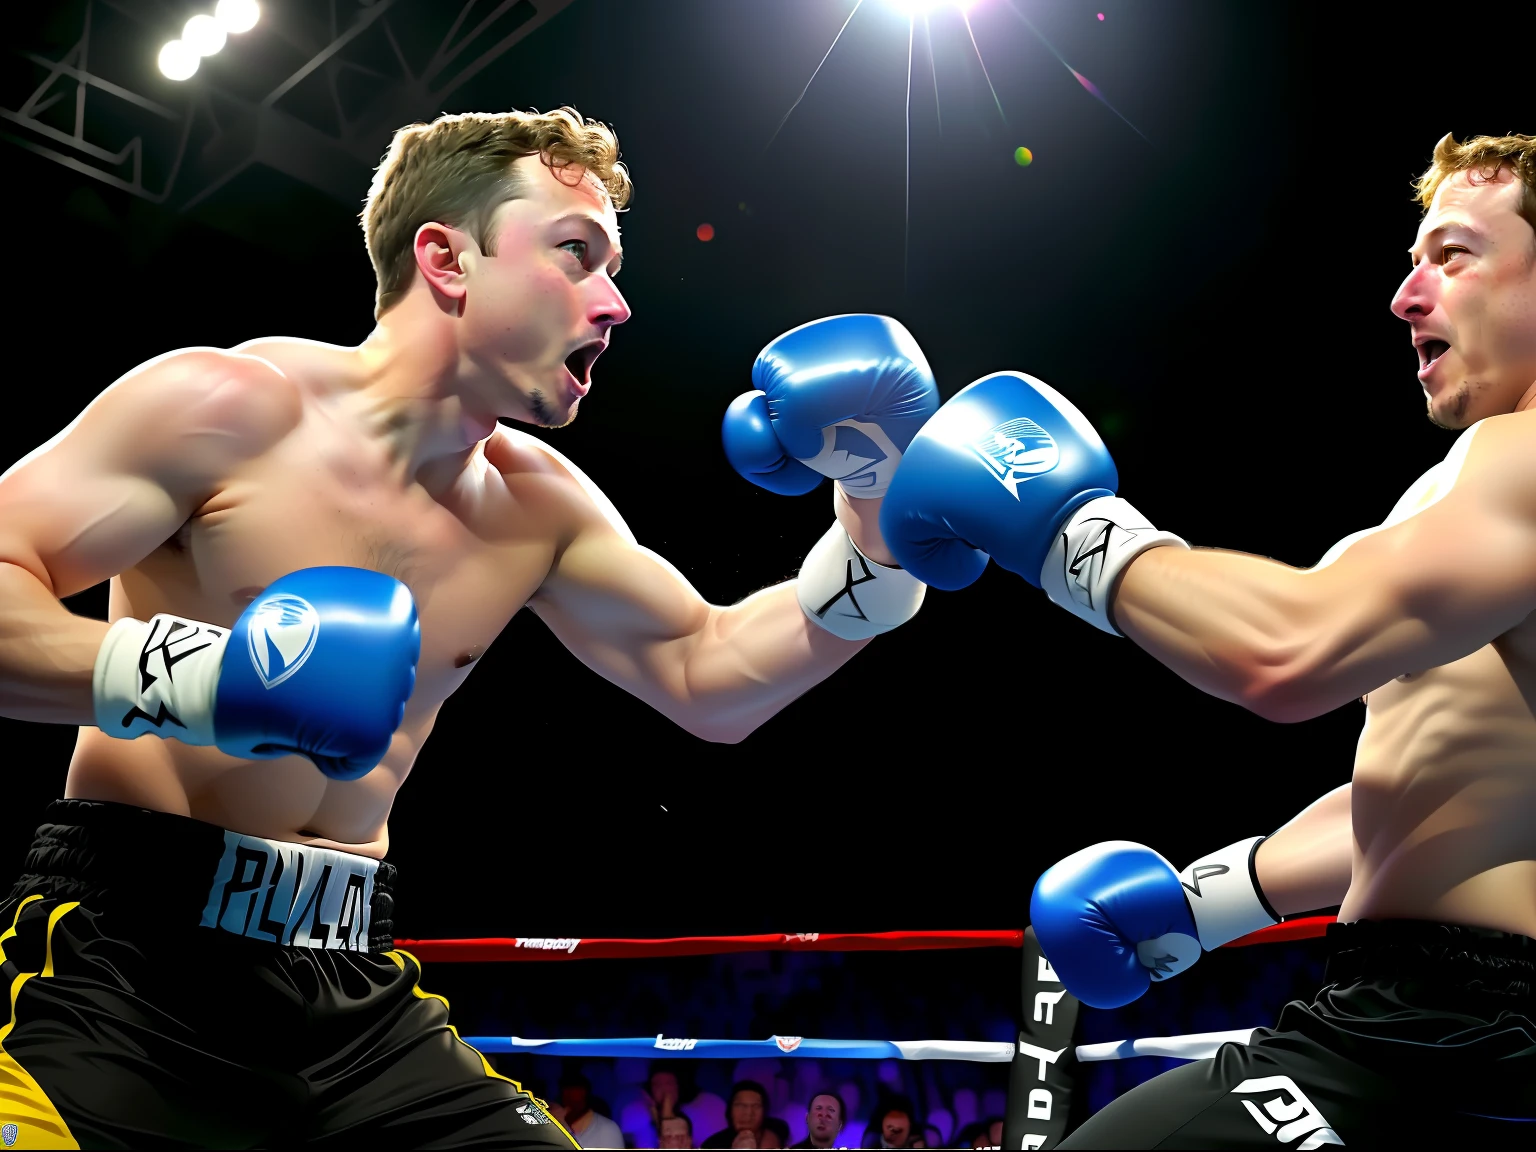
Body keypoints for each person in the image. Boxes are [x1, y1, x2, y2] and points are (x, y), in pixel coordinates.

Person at [0, 105, 938, 1148]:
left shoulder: (537, 506)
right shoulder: (228, 408)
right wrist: (217, 679)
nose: (617, 304)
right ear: (446, 258)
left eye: (612, 268)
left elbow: (709, 675)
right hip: (128, 971)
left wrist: (877, 524)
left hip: (353, 993)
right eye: (575, 254)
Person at [881, 131, 1536, 1145]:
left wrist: (1068, 530)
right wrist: (1208, 901)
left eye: (1452, 255)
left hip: (1453, 1035)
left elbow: (1289, 650)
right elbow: (1444, 775)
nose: (1408, 297)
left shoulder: (1526, 460)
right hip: (1455, 1029)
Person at [555, 1072, 625, 1150]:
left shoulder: (608, 1130)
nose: (568, 1099)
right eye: (565, 1094)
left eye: (572, 1093)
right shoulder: (555, 1129)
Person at [703, 1081, 773, 1148]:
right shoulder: (713, 1145)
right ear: (730, 1110)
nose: (748, 1113)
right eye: (740, 1105)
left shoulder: (775, 1140)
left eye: (756, 1106)